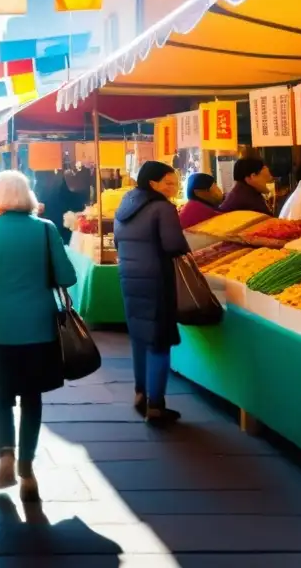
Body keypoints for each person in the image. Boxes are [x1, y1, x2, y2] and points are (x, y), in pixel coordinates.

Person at [0, 171, 76, 501]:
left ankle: (5, 455)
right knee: (32, 397)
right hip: (39, 325)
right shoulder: (46, 230)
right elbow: (67, 276)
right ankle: (27, 464)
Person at [113, 161, 191, 426]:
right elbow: (174, 245)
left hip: (129, 279)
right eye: (169, 182)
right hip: (156, 281)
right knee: (159, 339)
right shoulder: (162, 208)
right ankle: (156, 405)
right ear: (153, 183)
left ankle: (140, 394)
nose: (174, 186)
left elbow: (117, 242)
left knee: (139, 337)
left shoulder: (126, 205)